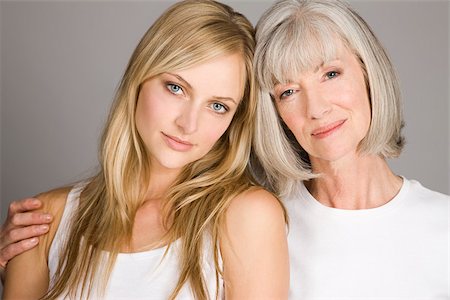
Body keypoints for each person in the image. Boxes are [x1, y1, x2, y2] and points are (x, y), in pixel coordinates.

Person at [1, 0, 289, 299]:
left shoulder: (248, 216)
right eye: (176, 88)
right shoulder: (47, 219)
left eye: (217, 106)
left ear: (234, 120)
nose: (188, 124)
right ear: (140, 78)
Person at [252, 0, 449, 298]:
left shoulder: (443, 225)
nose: (316, 109)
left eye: (331, 74)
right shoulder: (262, 229)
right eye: (289, 92)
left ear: (369, 74)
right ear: (276, 113)